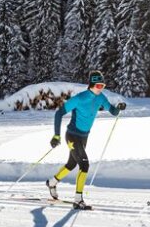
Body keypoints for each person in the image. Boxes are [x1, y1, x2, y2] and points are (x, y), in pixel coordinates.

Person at [46, 70, 125, 210]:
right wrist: (56, 135)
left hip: (84, 136)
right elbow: (59, 113)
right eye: (99, 86)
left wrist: (118, 109)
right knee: (84, 164)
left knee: (71, 164)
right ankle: (78, 200)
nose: (101, 89)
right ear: (92, 85)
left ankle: (52, 183)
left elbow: (112, 111)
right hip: (72, 136)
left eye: (103, 86)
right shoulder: (80, 98)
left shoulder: (100, 98)